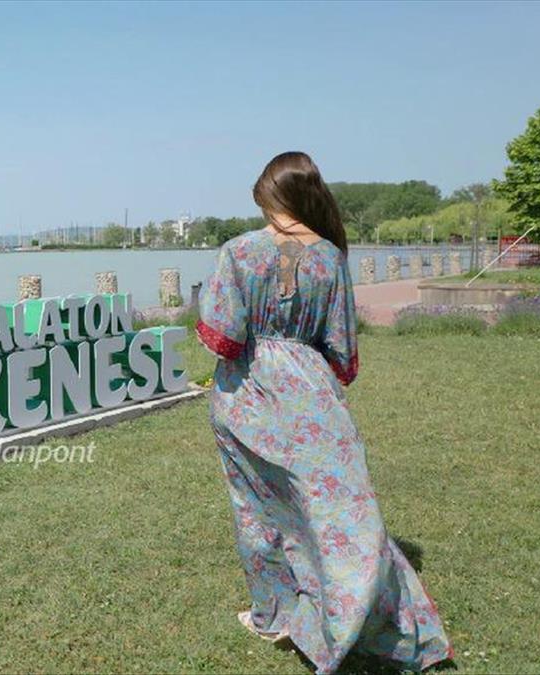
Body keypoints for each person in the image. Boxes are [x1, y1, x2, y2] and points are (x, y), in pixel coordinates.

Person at [196, 151, 453, 673]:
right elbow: (341, 349)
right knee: (335, 510)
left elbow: (223, 338)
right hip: (312, 398)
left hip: (245, 397)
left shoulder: (238, 251)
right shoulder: (331, 257)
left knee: (257, 510)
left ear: (267, 195)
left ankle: (274, 614)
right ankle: (348, 607)